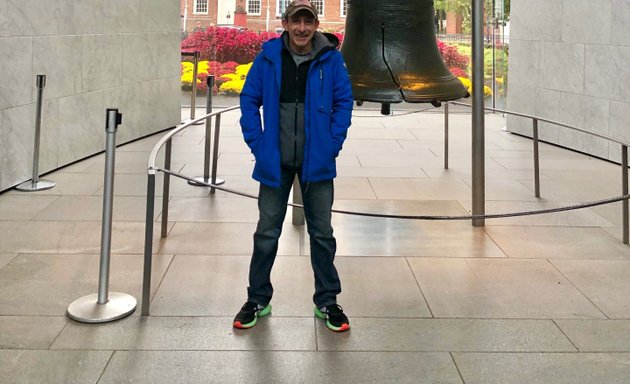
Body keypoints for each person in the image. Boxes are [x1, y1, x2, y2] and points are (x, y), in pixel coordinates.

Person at [234, 0, 353, 332]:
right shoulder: (269, 57)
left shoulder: (332, 59)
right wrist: (257, 142)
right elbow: (248, 99)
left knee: (322, 234)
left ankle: (327, 300)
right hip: (275, 161)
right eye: (296, 21)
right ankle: (257, 298)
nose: (302, 28)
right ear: (285, 23)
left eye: (308, 22)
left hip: (317, 163)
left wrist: (333, 143)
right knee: (266, 234)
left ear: (316, 26)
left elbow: (344, 101)